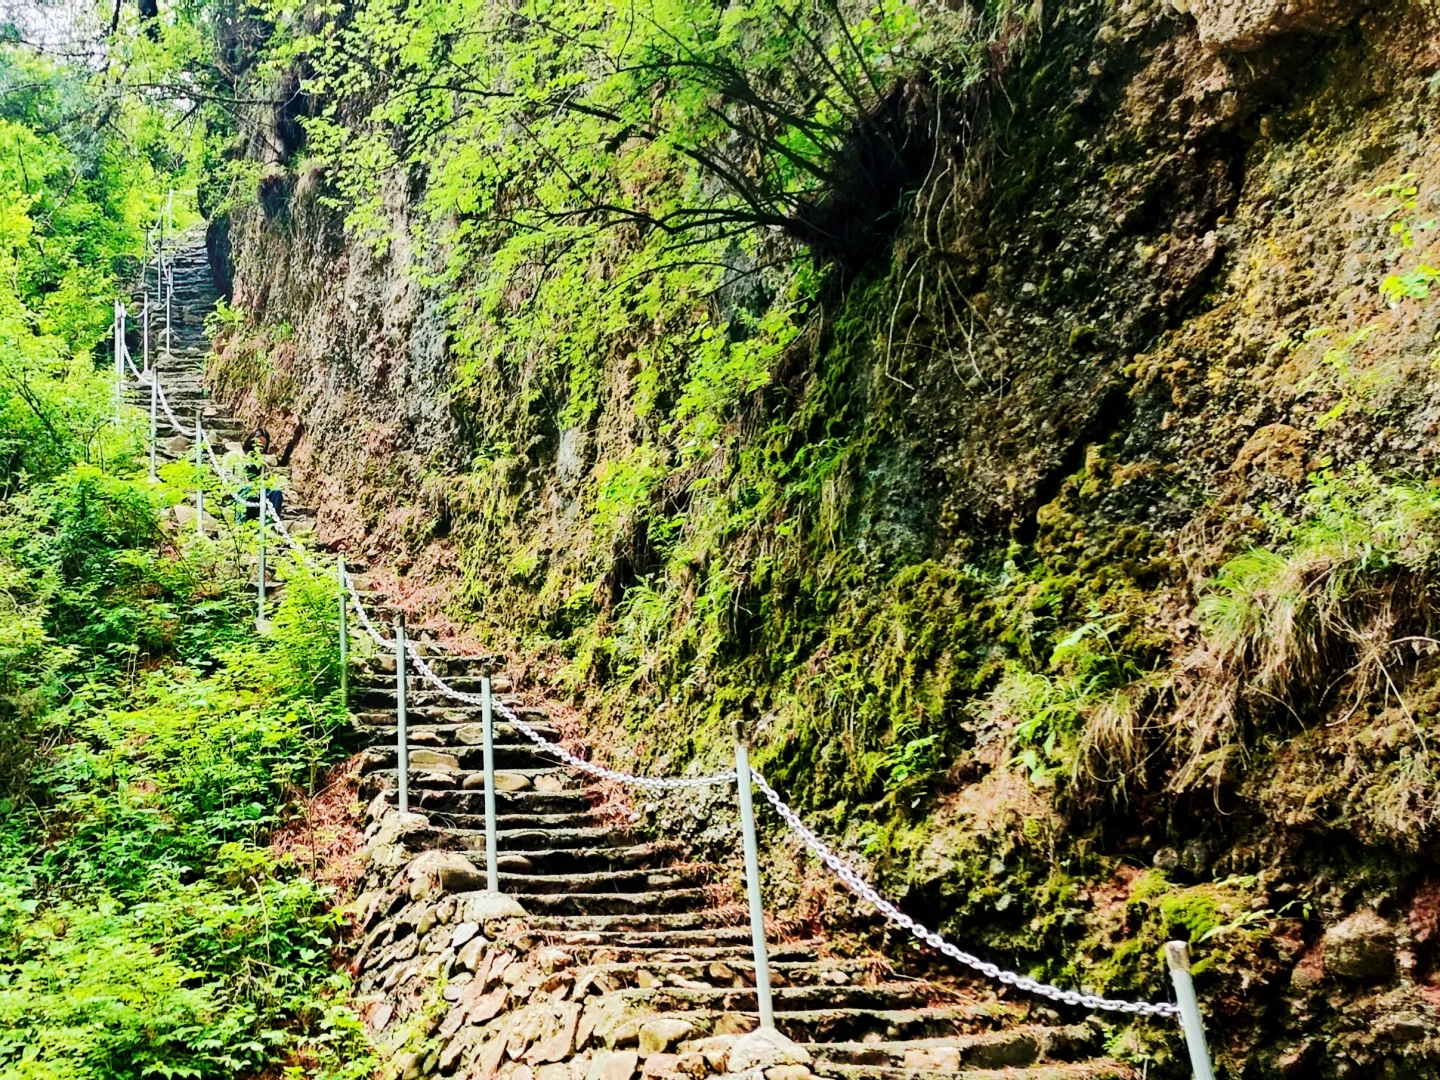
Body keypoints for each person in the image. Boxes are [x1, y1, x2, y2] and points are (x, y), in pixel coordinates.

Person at [234, 428, 284, 521]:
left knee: (276, 493)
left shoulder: (261, 461)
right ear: (251, 440)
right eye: (258, 443)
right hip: (241, 490)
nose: (259, 448)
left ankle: (272, 524)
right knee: (248, 490)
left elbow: (269, 474)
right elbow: (227, 475)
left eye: (263, 446)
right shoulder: (235, 455)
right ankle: (243, 521)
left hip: (259, 491)